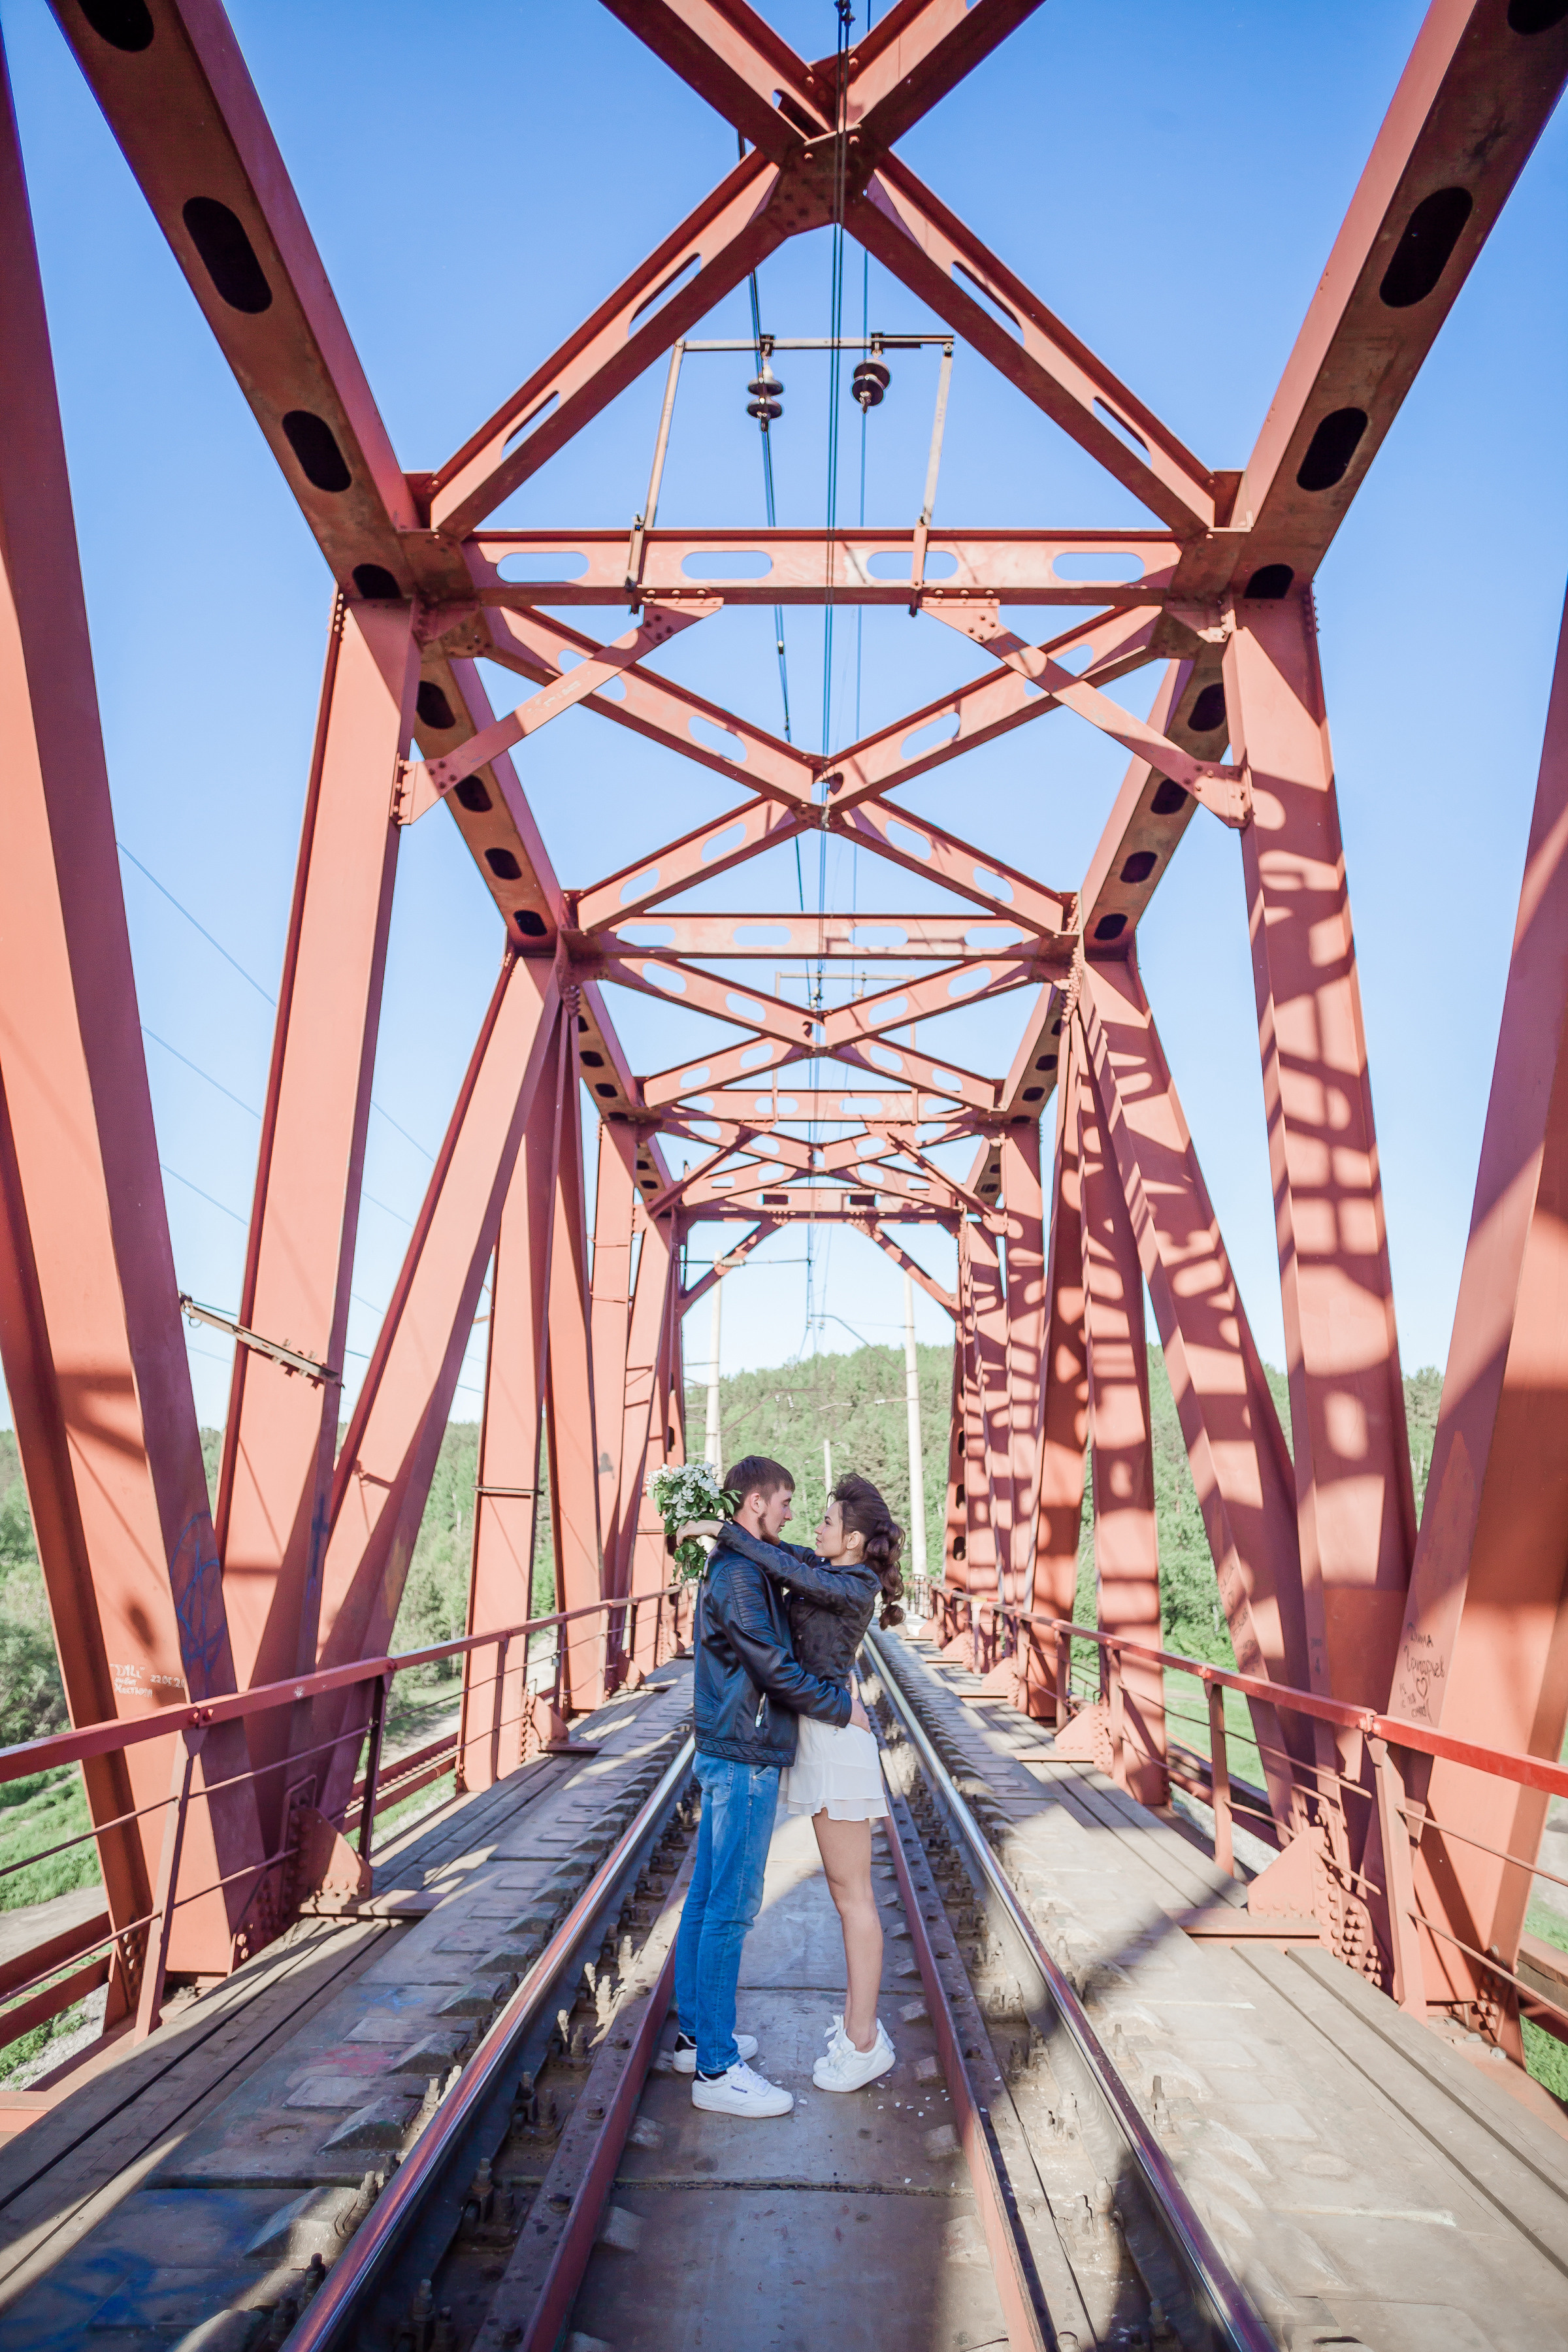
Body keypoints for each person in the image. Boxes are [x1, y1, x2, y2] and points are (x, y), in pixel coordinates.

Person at [685, 1473, 906, 2095]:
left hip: (836, 1746)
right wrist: (729, 1536)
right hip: (817, 1739)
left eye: (828, 1521)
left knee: (852, 1897)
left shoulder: (852, 1582)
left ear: (855, 1540)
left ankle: (863, 2040)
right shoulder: (831, 1566)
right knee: (843, 1894)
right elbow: (784, 1557)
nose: (815, 1526)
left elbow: (794, 1571)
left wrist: (720, 1530)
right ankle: (858, 2033)